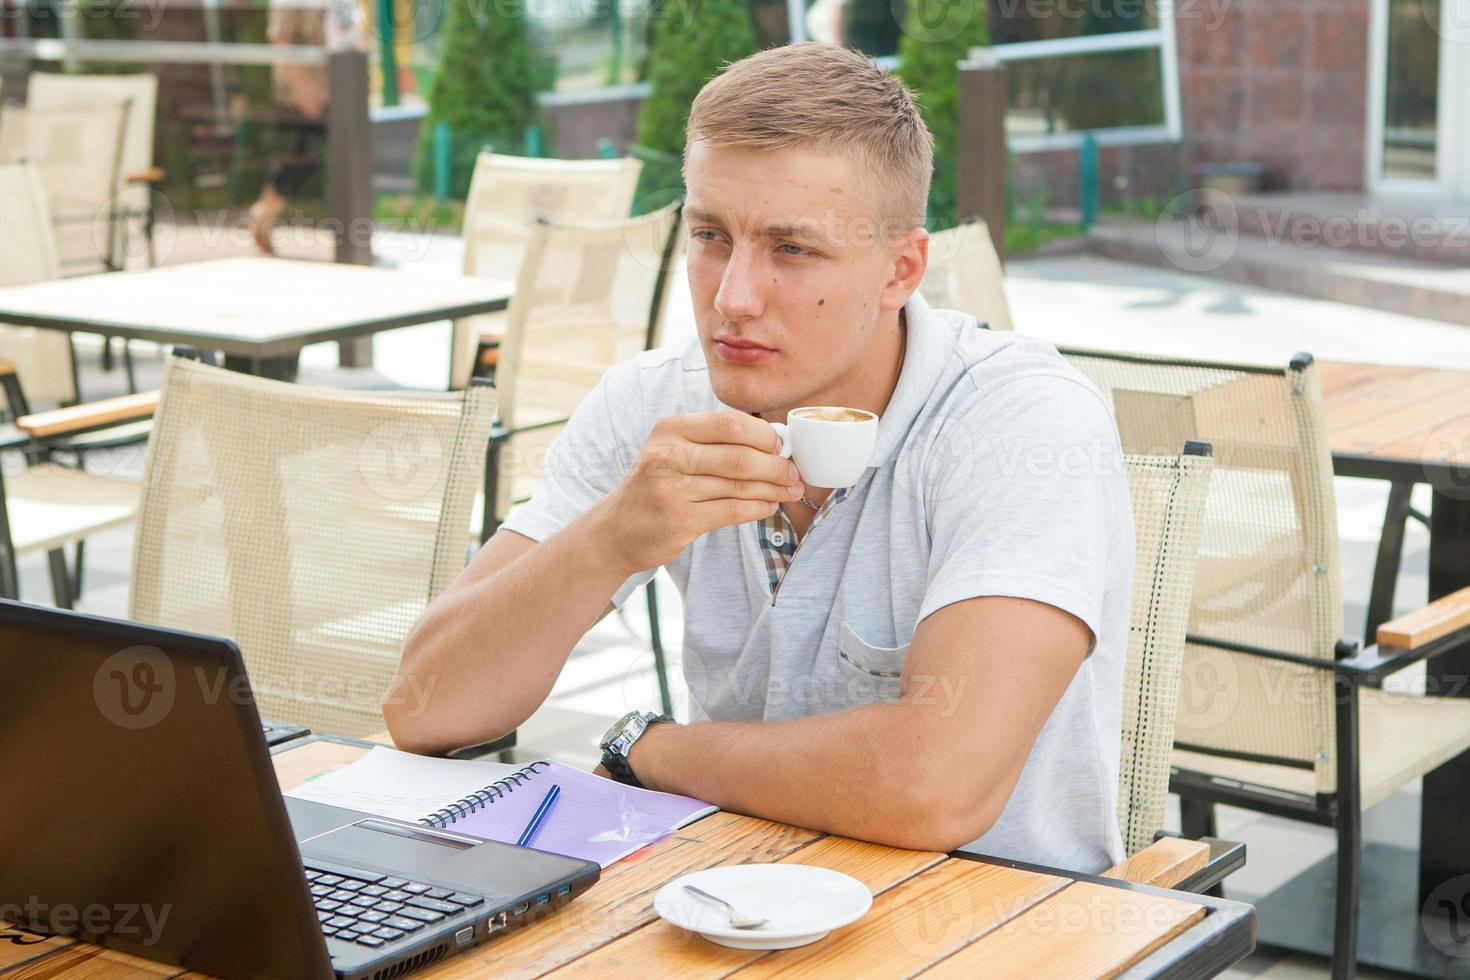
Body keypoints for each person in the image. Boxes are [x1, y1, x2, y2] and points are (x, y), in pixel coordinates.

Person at [385, 43, 1135, 874]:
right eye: (710, 235)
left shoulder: (1019, 421)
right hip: (728, 902)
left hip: (1001, 927)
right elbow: (425, 709)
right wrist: (608, 540)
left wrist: (652, 750)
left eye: (792, 249)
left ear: (901, 269)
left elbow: (935, 785)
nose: (732, 297)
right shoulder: (652, 400)